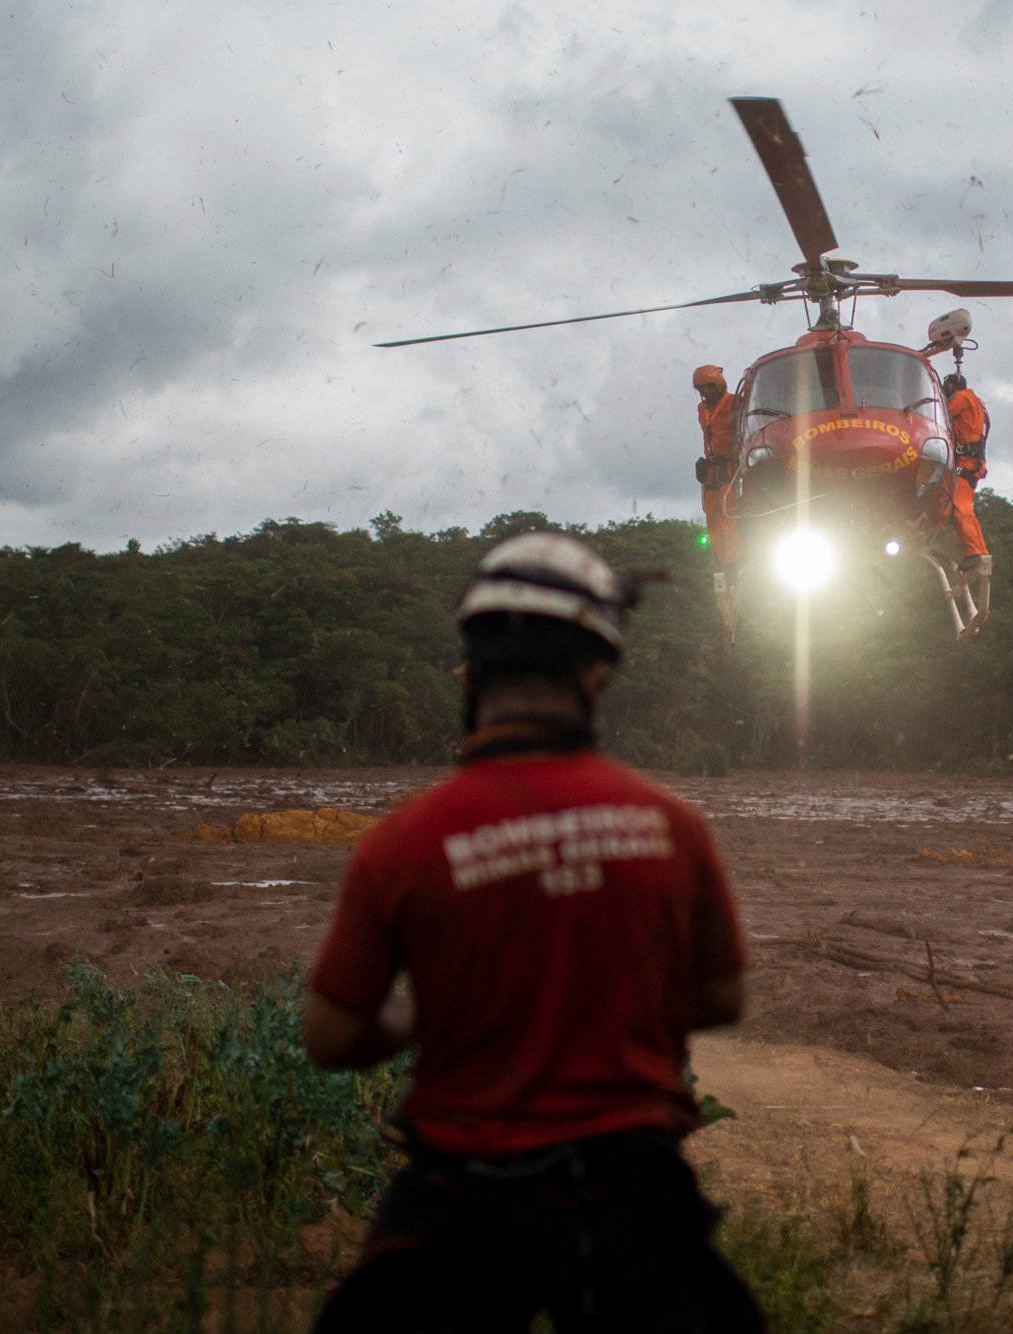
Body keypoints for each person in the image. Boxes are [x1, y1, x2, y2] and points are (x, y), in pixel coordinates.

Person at [304, 530, 761, 1333]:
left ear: (471, 668)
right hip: (631, 1189)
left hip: (460, 1193)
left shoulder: (404, 843)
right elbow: (721, 996)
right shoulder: (670, 826)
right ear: (596, 670)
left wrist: (429, 1010)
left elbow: (331, 1035)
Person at [693, 365, 742, 568]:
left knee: (729, 517)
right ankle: (721, 564)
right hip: (712, 472)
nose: (706, 392)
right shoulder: (702, 410)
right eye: (701, 389)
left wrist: (733, 457)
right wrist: (705, 464)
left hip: (731, 468)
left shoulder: (735, 403)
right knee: (712, 520)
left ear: (720, 385)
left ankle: (735, 563)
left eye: (709, 387)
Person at [942, 372, 990, 575]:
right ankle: (981, 553)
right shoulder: (976, 401)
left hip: (967, 461)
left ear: (952, 387)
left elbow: (942, 413)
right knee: (967, 509)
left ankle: (973, 554)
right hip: (973, 462)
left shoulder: (962, 398)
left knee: (959, 507)